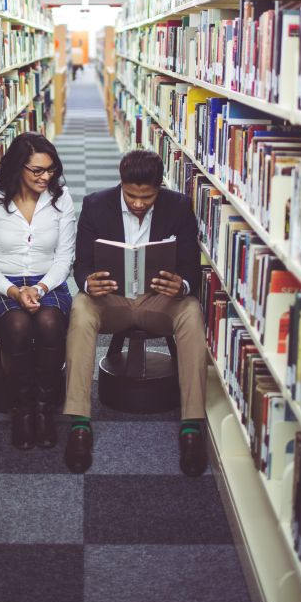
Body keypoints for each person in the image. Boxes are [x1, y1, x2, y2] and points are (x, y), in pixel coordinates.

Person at [63, 149, 207, 476]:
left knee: (191, 311)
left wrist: (181, 285)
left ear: (159, 188)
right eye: (131, 195)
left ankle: (191, 426)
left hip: (159, 301)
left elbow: (192, 268)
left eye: (148, 196)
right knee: (81, 309)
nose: (139, 203)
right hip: (112, 300)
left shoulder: (179, 206)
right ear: (121, 184)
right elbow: (81, 264)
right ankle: (80, 423)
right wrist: (88, 282)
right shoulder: (96, 205)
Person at [0, 132, 75, 451]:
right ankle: (22, 409)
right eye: (37, 171)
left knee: (48, 323)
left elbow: (65, 257)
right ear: (18, 167)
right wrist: (15, 292)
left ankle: (44, 408)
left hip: (49, 280)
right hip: (2, 282)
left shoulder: (62, 199)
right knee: (16, 325)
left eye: (51, 169)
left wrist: (41, 287)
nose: (46, 177)